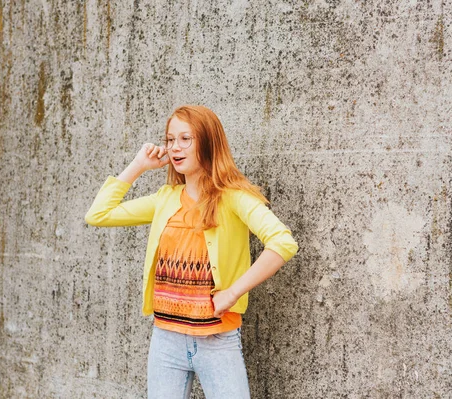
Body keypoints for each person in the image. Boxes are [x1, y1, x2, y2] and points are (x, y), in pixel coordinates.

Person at [84, 105, 298, 398]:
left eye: (186, 139)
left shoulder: (234, 198)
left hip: (217, 340)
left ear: (208, 142)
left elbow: (282, 242)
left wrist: (233, 292)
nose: (175, 147)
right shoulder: (165, 199)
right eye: (170, 140)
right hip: (165, 339)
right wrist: (138, 165)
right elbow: (98, 215)